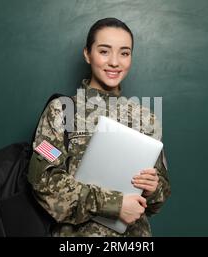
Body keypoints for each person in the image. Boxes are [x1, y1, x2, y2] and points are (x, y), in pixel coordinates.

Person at [27, 17, 171, 236]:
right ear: (87, 54)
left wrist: (153, 189)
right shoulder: (62, 111)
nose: (115, 62)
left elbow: (159, 198)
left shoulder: (145, 118)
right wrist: (115, 205)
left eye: (124, 53)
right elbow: (44, 183)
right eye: (104, 51)